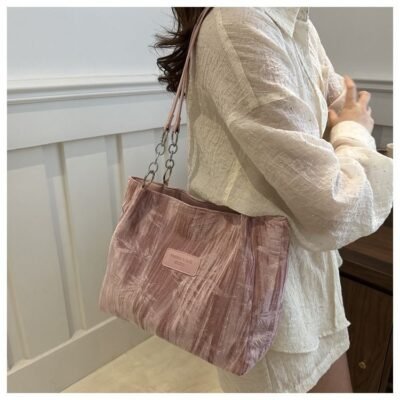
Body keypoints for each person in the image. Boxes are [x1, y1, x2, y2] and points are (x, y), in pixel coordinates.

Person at [152, 7, 393, 393]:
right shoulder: (239, 23)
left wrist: (342, 116)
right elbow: (333, 205)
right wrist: (354, 129)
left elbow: (333, 102)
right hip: (263, 297)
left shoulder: (294, 21)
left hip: (302, 279)